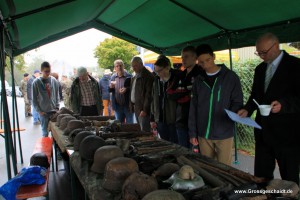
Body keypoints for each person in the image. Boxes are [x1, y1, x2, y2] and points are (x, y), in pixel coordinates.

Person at [238, 33, 300, 185]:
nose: (260, 56)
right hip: (263, 131)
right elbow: (255, 95)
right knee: (261, 177)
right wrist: (247, 109)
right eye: (258, 53)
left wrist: (283, 105)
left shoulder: (296, 66)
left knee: (289, 178)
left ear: (276, 46)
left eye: (263, 52)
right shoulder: (260, 69)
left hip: (288, 134)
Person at [189, 44, 243, 165]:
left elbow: (238, 101)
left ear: (213, 56)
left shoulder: (230, 77)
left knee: (225, 169)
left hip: (224, 133)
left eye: (208, 60)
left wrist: (231, 114)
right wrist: (192, 132)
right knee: (207, 167)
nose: (206, 65)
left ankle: (225, 185)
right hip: (204, 134)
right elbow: (193, 108)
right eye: (201, 62)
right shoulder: (198, 80)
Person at [175, 46, 203, 148]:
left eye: (186, 57)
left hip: (195, 123)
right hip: (180, 119)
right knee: (183, 150)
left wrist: (183, 94)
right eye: (182, 57)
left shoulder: (201, 74)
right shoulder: (180, 75)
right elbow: (173, 94)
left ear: (194, 57)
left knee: (195, 155)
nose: (183, 60)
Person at [150, 55, 179, 143]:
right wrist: (152, 118)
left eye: (159, 71)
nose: (158, 74)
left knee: (175, 143)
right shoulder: (156, 81)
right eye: (156, 71)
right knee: (164, 143)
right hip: (160, 120)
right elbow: (153, 100)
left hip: (173, 120)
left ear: (167, 68)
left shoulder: (176, 79)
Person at [32, 62, 60, 137]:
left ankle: (54, 148)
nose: (48, 73)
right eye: (46, 71)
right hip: (43, 113)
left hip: (54, 112)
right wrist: (39, 111)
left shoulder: (54, 81)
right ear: (41, 70)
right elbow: (34, 99)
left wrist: (57, 107)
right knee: (45, 133)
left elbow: (57, 95)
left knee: (56, 134)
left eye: (49, 71)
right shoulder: (36, 82)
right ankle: (46, 147)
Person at [130, 56, 154, 131]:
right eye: (132, 66)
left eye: (135, 66)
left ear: (141, 64)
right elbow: (132, 91)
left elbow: (148, 95)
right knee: (140, 130)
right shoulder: (135, 76)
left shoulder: (147, 76)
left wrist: (145, 109)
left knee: (145, 131)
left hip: (143, 110)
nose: (134, 68)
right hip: (137, 107)